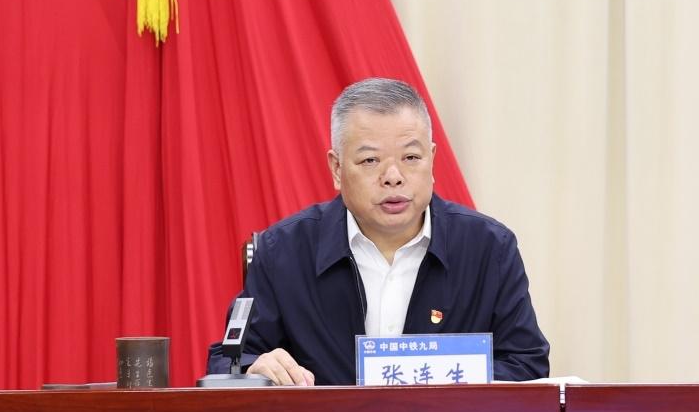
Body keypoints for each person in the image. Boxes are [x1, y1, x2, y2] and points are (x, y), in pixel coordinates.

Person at [207, 77, 550, 385]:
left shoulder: (488, 249)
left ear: (432, 159)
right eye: (370, 161)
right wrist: (254, 369)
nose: (393, 177)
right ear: (337, 168)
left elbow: (527, 363)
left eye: (411, 158)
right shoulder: (283, 252)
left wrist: (449, 385)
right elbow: (229, 360)